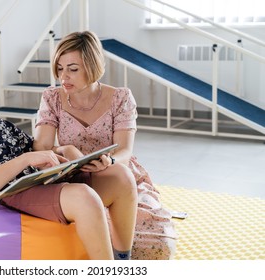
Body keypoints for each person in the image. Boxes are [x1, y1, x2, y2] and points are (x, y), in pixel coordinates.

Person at [0, 65, 138, 260]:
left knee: (121, 176)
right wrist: (24, 160)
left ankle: (122, 259)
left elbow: (35, 149)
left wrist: (63, 150)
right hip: (17, 192)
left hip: (43, 179)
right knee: (84, 198)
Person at [33, 31, 177, 260]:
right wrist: (66, 151)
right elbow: (41, 147)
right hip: (72, 175)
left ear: (92, 65)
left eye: (73, 69)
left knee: (158, 245)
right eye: (60, 68)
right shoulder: (52, 98)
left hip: (116, 173)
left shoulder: (120, 98)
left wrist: (108, 161)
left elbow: (124, 151)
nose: (64, 77)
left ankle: (121, 259)